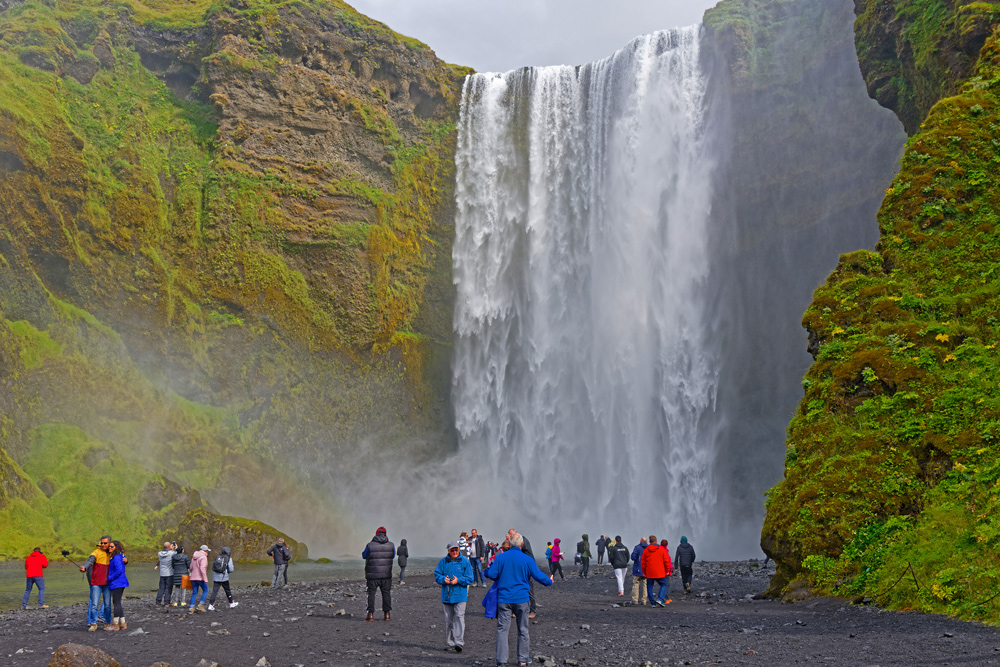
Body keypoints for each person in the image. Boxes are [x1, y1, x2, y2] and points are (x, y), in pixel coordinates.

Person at [485, 533, 553, 667]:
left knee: (502, 630)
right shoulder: (527, 560)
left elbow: (492, 574)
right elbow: (538, 575)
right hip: (522, 599)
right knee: (523, 629)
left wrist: (487, 571)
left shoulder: (501, 558)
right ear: (522, 545)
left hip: (504, 599)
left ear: (509, 544)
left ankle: (501, 661)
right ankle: (522, 660)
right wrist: (549, 581)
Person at [434, 541, 474, 652]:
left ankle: (459, 643)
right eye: (452, 550)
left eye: (456, 550)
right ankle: (450, 642)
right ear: (448, 551)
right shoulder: (443, 562)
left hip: (460, 595)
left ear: (459, 549)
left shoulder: (465, 561)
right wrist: (443, 579)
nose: (455, 552)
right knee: (449, 620)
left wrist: (458, 580)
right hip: (447, 596)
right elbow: (437, 575)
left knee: (460, 618)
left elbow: (470, 578)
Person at [362, 526, 395, 621]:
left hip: (372, 575)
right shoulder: (391, 545)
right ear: (386, 534)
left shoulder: (370, 545)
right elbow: (392, 556)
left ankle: (370, 615)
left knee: (371, 594)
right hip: (386, 575)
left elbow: (364, 555)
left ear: (376, 534)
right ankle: (387, 614)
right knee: (386, 594)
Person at [80, 535, 112, 631]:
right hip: (96, 582)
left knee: (107, 604)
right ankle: (93, 623)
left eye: (105, 543)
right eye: (101, 543)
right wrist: (84, 567)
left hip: (108, 582)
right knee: (94, 604)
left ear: (109, 543)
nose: (102, 544)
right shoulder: (96, 552)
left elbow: (121, 558)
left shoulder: (112, 553)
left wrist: (126, 561)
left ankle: (107, 623)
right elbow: (90, 561)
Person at [506, 528, 538, 618]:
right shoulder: (517, 541)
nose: (510, 537)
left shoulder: (523, 540)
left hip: (528, 567)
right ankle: (517, 610)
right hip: (520, 568)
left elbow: (517, 549)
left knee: (529, 590)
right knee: (518, 588)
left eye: (511, 535)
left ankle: (532, 611)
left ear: (515, 534)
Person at [641, 536, 673, 607]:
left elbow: (643, 562)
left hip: (649, 572)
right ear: (656, 541)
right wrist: (667, 570)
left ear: (649, 541)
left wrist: (644, 572)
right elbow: (666, 561)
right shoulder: (661, 549)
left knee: (649, 586)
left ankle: (653, 603)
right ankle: (660, 599)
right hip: (659, 572)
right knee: (664, 584)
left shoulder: (646, 550)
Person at [107, 540, 129, 631]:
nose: (109, 548)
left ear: (116, 547)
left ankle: (115, 624)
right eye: (109, 546)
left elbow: (119, 570)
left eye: (112, 546)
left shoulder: (116, 557)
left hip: (117, 582)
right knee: (118, 603)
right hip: (121, 582)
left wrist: (110, 577)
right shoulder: (119, 556)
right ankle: (122, 623)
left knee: (116, 603)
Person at [188, 545, 210, 613]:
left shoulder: (194, 557)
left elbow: (191, 567)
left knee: (194, 592)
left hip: (193, 577)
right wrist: (205, 579)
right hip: (200, 578)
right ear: (205, 551)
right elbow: (202, 569)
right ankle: (201, 604)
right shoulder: (204, 557)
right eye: (207, 551)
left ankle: (192, 607)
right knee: (206, 590)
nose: (208, 552)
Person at [154, 541, 175, 607]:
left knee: (161, 588)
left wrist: (170, 548)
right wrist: (174, 547)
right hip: (169, 573)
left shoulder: (159, 553)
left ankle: (158, 602)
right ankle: (167, 602)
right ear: (169, 547)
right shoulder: (172, 553)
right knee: (168, 588)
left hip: (162, 573)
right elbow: (177, 554)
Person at [630, 537, 648, 606]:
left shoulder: (637, 547)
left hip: (638, 569)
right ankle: (644, 600)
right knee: (645, 585)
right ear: (646, 541)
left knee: (636, 584)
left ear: (640, 541)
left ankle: (635, 600)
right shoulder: (649, 548)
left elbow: (633, 557)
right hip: (646, 570)